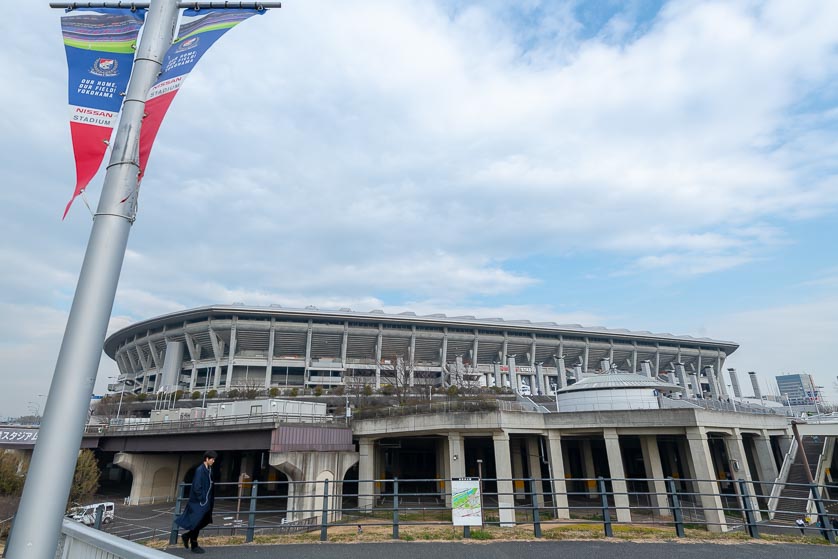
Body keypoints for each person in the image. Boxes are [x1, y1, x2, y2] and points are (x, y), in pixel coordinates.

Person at [176, 450, 217, 553]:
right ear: (207, 459)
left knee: (205, 520)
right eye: (212, 459)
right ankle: (194, 544)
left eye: (214, 459)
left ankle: (187, 536)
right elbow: (197, 486)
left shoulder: (208, 469)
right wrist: (202, 499)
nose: (213, 461)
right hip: (199, 502)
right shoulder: (200, 470)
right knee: (198, 521)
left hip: (206, 501)